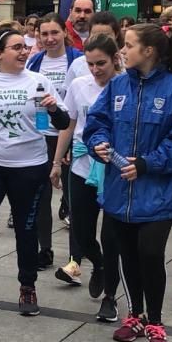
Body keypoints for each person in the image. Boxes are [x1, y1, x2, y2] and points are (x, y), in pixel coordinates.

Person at [84, 23, 172, 342]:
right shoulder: (118, 85)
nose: (123, 50)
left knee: (150, 254)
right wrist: (98, 144)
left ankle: (156, 322)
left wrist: (147, 163)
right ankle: (134, 314)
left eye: (129, 45)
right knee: (128, 255)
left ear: (148, 50)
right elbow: (96, 123)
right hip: (119, 192)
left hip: (158, 193)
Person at [0, 26, 69, 320]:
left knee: (26, 229)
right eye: (16, 47)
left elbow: (62, 121)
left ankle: (27, 286)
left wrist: (54, 108)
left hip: (29, 167)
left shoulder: (38, 81)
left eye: (25, 46)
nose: (24, 51)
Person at [49, 34, 122, 320]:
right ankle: (99, 263)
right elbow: (69, 124)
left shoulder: (125, 86)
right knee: (80, 230)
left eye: (101, 63)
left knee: (112, 234)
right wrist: (57, 162)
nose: (95, 69)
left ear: (115, 59)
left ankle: (111, 297)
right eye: (90, 64)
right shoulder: (79, 86)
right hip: (81, 165)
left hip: (115, 168)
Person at [26, 13, 82, 268]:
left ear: (64, 33)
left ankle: (75, 257)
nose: (49, 38)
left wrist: (69, 141)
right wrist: (38, 130)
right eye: (44, 34)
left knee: (73, 198)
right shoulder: (35, 62)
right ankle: (44, 249)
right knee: (40, 194)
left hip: (70, 135)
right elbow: (36, 102)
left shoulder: (78, 61)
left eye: (54, 33)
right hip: (43, 136)